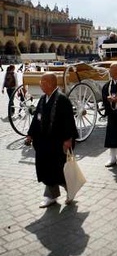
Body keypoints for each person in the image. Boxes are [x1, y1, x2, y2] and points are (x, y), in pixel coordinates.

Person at [25, 72, 79, 208]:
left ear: (50, 83)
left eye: (42, 82)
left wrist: (68, 140)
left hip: (58, 143)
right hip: (44, 143)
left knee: (60, 171)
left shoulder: (62, 100)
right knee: (47, 170)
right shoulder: (43, 99)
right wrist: (30, 135)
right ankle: (51, 196)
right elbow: (36, 119)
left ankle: (70, 191)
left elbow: (69, 122)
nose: (40, 84)